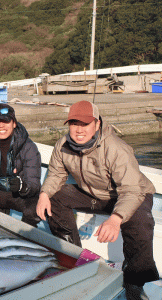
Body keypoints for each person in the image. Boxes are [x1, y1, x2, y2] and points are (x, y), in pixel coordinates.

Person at [36, 100, 159, 299]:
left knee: (140, 221)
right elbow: (56, 174)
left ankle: (137, 279)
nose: (79, 130)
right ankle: (73, 254)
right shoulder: (62, 145)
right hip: (93, 193)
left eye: (85, 124)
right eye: (74, 124)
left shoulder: (116, 148)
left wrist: (116, 218)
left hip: (131, 193)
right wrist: (44, 194)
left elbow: (132, 189)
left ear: (97, 124)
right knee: (55, 198)